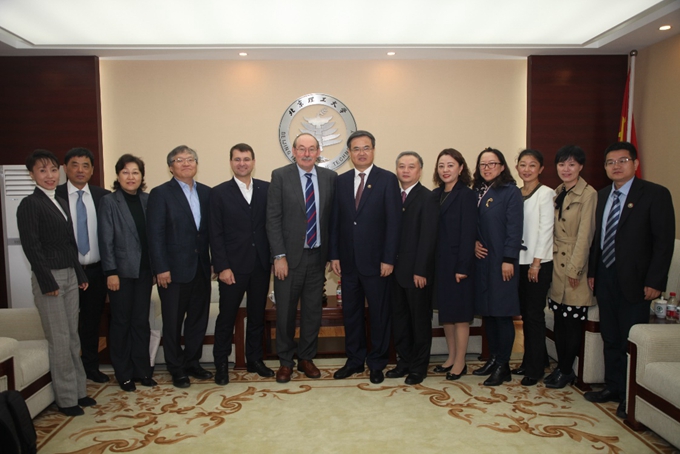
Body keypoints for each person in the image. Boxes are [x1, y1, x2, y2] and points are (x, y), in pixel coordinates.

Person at [586, 141, 675, 419]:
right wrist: (592, 272)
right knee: (611, 336)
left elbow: (663, 243)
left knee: (630, 339)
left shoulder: (655, 194)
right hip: (605, 276)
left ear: (635, 163)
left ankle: (629, 395)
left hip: (637, 281)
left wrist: (655, 281)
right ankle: (613, 386)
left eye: (622, 160)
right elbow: (597, 239)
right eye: (610, 162)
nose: (616, 166)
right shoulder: (601, 196)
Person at [17, 149, 96, 416]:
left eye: (53, 170)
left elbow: (69, 244)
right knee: (60, 338)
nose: (49, 176)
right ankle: (66, 399)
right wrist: (46, 280)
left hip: (70, 275)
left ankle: (79, 391)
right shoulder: (30, 204)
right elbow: (31, 246)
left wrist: (80, 275)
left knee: (73, 336)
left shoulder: (59, 201)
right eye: (42, 171)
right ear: (31, 174)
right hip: (49, 278)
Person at [330, 130, 402, 384]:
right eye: (356, 149)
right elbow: (335, 221)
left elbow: (394, 223)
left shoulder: (387, 179)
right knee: (351, 314)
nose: (361, 153)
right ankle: (354, 360)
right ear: (349, 153)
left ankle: (377, 363)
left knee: (379, 314)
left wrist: (389, 258)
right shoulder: (340, 181)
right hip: (348, 262)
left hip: (377, 263)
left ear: (373, 150)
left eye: (366, 148)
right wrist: (334, 255)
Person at [266, 133, 337, 384]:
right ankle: (285, 362)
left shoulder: (330, 178)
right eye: (302, 149)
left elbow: (333, 220)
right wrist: (279, 256)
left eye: (312, 149)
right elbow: (273, 219)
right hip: (288, 259)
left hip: (317, 257)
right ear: (294, 151)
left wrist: (332, 255)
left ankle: (306, 358)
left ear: (318, 152)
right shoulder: (280, 176)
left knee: (312, 312)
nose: (307, 153)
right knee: (285, 313)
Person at [147, 145, 213, 388]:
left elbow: (210, 232)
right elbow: (155, 234)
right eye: (179, 160)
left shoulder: (206, 193)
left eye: (190, 159)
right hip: (172, 271)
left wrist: (214, 262)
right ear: (170, 166)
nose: (186, 163)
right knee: (173, 322)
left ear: (196, 164)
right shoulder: (160, 194)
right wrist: (160, 268)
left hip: (201, 268)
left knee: (198, 319)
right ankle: (176, 368)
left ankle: (192, 362)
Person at [210, 143, 274, 385]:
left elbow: (272, 225)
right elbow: (215, 234)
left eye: (246, 159)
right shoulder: (219, 193)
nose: (242, 163)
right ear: (231, 163)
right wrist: (222, 267)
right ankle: (221, 364)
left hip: (260, 265)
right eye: (237, 159)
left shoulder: (267, 189)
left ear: (253, 162)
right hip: (232, 269)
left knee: (257, 316)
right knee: (227, 317)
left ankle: (255, 360)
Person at [98, 154, 156, 392]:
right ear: (118, 175)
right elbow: (106, 239)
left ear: (141, 176)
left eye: (135, 172)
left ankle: (142, 371)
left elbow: (154, 237)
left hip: (145, 271)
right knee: (121, 322)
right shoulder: (109, 202)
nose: (130, 177)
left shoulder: (148, 200)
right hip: (120, 273)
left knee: (141, 322)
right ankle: (123, 374)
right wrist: (110, 271)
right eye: (125, 172)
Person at [56, 148, 111, 384]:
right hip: (67, 271)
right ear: (65, 168)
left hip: (96, 271)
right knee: (66, 325)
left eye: (85, 165)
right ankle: (69, 372)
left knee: (91, 323)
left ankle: (90, 367)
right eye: (75, 165)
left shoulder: (103, 196)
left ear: (92, 170)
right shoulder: (54, 195)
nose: (80, 170)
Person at [544, 145, 596, 389]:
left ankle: (566, 371)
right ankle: (561, 367)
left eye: (572, 164)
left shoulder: (588, 194)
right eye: (562, 164)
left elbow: (586, 236)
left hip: (576, 265)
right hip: (557, 263)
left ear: (581, 166)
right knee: (560, 320)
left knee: (573, 321)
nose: (566, 169)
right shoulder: (558, 192)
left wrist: (575, 270)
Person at [472, 147, 523, 386]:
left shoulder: (510, 192)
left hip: (502, 262)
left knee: (502, 314)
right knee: (489, 314)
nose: (487, 168)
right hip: (482, 262)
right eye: (483, 164)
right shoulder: (476, 191)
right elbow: (472, 224)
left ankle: (504, 365)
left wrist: (509, 259)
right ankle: (493, 359)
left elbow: (515, 228)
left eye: (492, 163)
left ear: (502, 167)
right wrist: (473, 243)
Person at [386, 151, 438, 385]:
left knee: (419, 322)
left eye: (411, 166)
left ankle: (418, 367)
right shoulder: (392, 196)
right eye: (401, 166)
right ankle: (404, 362)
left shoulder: (427, 197)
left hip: (417, 273)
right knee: (400, 320)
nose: (405, 170)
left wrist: (421, 270)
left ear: (420, 171)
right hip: (394, 272)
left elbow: (428, 237)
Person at [431, 149, 478, 381]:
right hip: (439, 265)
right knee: (446, 315)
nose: (445, 170)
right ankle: (450, 357)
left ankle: (460, 362)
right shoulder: (435, 194)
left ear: (460, 168)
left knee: (460, 316)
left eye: (450, 165)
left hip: (458, 265)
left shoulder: (466, 195)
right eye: (441, 165)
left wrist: (463, 267)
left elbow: (469, 234)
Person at [512, 149, 554, 386]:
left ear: (541, 169)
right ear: (517, 167)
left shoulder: (546, 193)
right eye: (523, 165)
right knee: (525, 316)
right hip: (519, 262)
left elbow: (546, 230)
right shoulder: (516, 193)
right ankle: (532, 360)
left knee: (534, 316)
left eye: (532, 165)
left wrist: (536, 263)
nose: (527, 169)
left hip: (537, 264)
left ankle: (535, 369)